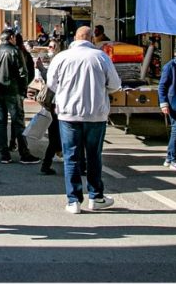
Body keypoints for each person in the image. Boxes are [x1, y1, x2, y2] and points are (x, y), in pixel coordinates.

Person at [46, 25, 121, 214]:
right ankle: (96, 196)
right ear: (91, 39)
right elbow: (115, 84)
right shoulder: (101, 57)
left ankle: (73, 200)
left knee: (71, 156)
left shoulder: (61, 57)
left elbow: (51, 84)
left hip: (68, 113)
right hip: (95, 113)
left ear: (75, 38)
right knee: (93, 155)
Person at [0, 29, 38, 165]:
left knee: (0, 122)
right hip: (12, 91)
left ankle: (4, 154)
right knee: (18, 122)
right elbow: (23, 73)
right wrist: (22, 91)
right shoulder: (15, 51)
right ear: (12, 38)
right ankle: (24, 153)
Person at [158, 42, 176, 172]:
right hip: (174, 103)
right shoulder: (170, 66)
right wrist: (163, 103)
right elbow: (162, 86)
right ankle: (174, 159)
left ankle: (170, 157)